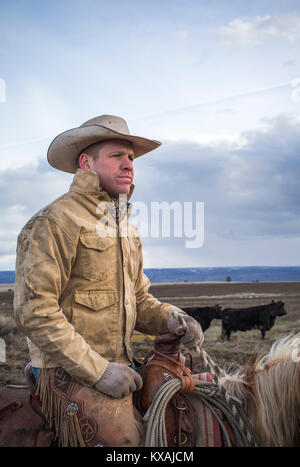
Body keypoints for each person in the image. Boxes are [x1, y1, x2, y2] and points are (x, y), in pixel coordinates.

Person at [13, 115, 204, 446]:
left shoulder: (126, 229)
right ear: (86, 163)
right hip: (65, 371)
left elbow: (140, 300)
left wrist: (172, 318)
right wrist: (98, 371)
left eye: (131, 158)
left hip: (121, 366)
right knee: (126, 443)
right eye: (117, 156)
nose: (128, 165)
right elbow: (35, 310)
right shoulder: (55, 221)